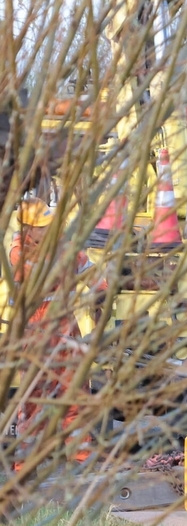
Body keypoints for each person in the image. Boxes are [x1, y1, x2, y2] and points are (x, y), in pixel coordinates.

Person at [8, 196, 107, 471]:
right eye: (42, 226)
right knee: (33, 401)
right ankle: (25, 467)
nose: (49, 229)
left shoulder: (64, 247)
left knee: (75, 394)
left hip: (64, 331)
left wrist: (102, 293)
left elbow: (93, 276)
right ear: (28, 229)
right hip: (34, 336)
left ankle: (80, 460)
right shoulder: (20, 254)